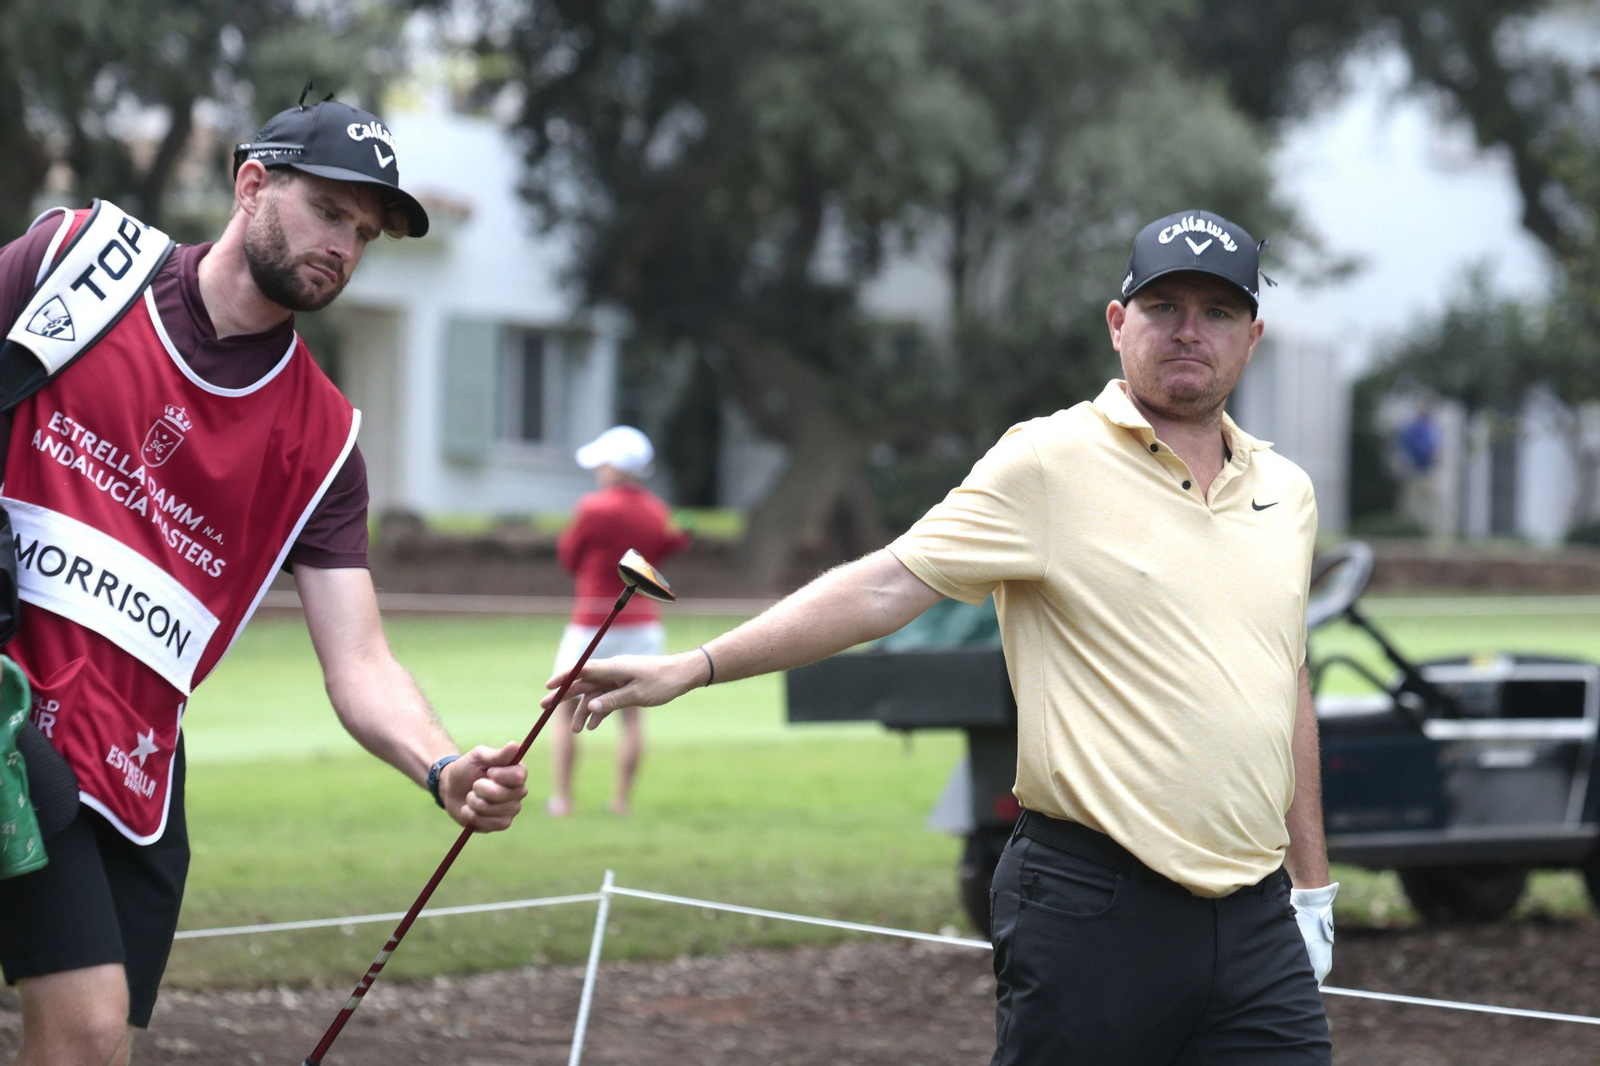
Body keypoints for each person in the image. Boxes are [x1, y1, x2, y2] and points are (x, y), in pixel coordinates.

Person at [545, 209, 1338, 1065]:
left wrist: (1312, 886)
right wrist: (698, 666)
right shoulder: (1045, 462)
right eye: (1164, 307)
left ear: (1251, 337)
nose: (1190, 331)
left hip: (1256, 920)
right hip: (1094, 905)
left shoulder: (1286, 493)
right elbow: (886, 584)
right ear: (1119, 325)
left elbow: (1281, 682)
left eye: (1217, 312)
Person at [0, 89, 530, 1066]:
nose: (345, 244)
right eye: (329, 211)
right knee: (83, 1029)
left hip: (126, 770)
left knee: (89, 1040)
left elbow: (359, 660)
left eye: (364, 233)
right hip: (9, 716)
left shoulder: (324, 440)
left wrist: (444, 765)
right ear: (253, 185)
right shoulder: (78, 260)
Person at [547, 426, 690, 816]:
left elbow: (569, 559)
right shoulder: (658, 512)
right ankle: (620, 802)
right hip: (642, 621)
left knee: (563, 708)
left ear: (615, 468)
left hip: (593, 619)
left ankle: (561, 799)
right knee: (630, 715)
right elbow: (662, 554)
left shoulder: (593, 508)